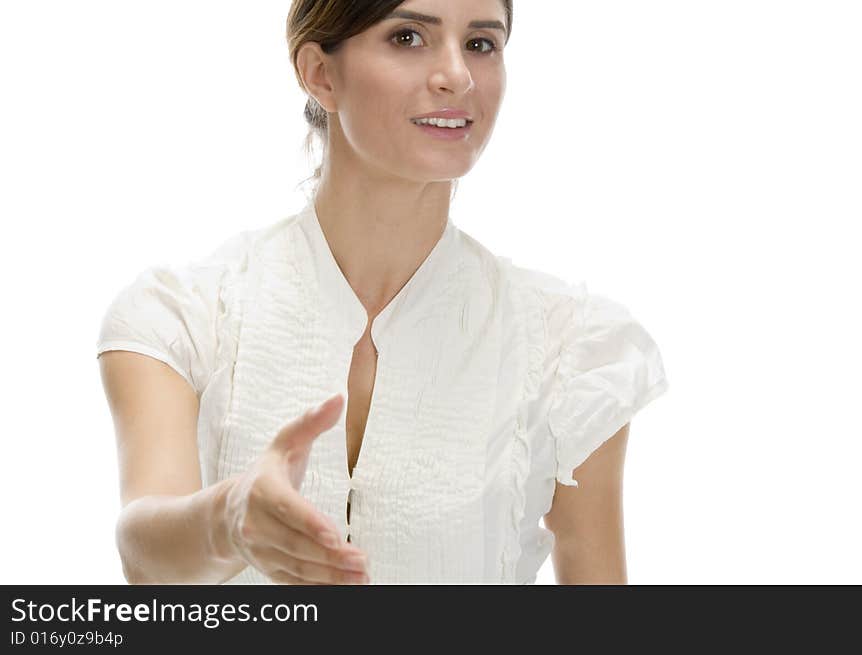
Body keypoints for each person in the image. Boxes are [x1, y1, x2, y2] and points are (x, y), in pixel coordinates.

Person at [96, 0, 669, 585]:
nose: (458, 75)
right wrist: (228, 518)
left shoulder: (569, 347)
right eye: (408, 37)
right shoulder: (185, 315)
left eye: (480, 44)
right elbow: (145, 555)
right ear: (321, 73)